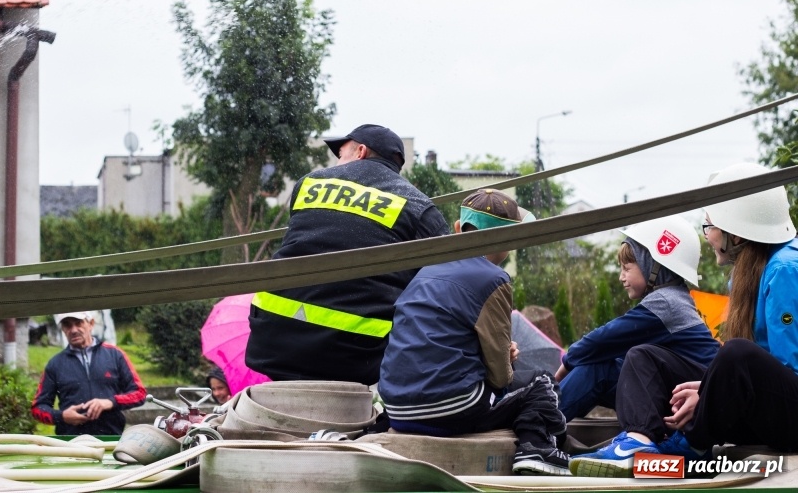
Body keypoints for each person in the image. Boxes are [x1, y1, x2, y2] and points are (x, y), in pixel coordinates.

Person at [569, 162, 798, 478]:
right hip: (762, 410)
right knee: (644, 356)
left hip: (790, 416)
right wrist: (709, 390)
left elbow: (785, 369)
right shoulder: (750, 272)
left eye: (710, 227)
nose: (707, 236)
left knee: (736, 354)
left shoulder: (785, 270)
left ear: (735, 233)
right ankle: (639, 442)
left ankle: (691, 449)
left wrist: (707, 395)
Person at [379, 189, 571, 476]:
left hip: (397, 408)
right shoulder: (493, 278)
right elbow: (500, 376)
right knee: (541, 382)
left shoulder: (427, 270)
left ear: (458, 229)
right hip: (452, 409)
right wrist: (507, 359)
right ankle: (536, 449)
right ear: (509, 239)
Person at [246, 124, 450, 385]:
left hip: (272, 339)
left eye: (340, 154)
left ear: (361, 151)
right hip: (356, 356)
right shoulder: (418, 205)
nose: (338, 163)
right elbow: (447, 277)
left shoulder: (309, 183)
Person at [555, 215, 719, 422]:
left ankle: (542, 422)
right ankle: (547, 417)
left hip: (694, 398)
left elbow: (603, 339)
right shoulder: (675, 297)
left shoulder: (666, 302)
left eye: (627, 268)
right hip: (677, 390)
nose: (621, 277)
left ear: (653, 265)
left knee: (599, 369)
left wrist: (565, 367)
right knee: (605, 366)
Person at [31, 311, 147, 435]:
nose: (74, 330)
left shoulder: (114, 355)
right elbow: (38, 407)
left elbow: (139, 393)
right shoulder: (55, 364)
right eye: (67, 325)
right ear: (63, 329)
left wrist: (110, 402)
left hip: (111, 438)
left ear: (91, 324)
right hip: (71, 442)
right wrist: (61, 416)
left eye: (78, 323)